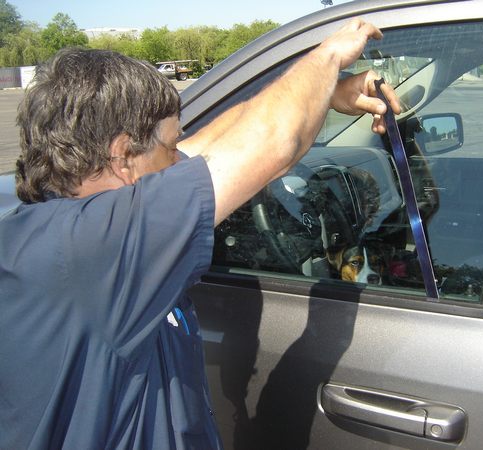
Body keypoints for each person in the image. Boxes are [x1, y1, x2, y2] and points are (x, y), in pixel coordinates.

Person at [0, 19, 400, 449]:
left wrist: (328, 94)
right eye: (171, 148)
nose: (181, 160)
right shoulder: (94, 249)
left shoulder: (65, 223)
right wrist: (328, 56)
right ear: (121, 158)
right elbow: (271, 141)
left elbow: (212, 144)